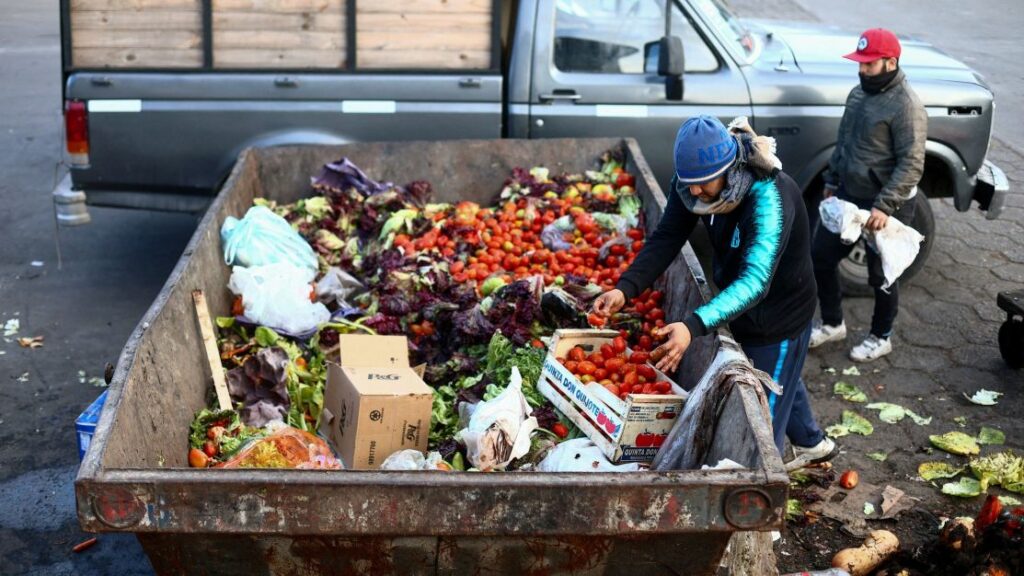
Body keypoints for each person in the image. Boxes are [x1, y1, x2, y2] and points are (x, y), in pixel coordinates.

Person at [593, 115, 835, 469]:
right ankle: (813, 443)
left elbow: (755, 282)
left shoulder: (769, 199)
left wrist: (691, 326)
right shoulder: (694, 181)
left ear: (729, 168)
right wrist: (624, 289)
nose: (693, 192)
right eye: (688, 184)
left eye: (702, 185)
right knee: (782, 376)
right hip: (738, 305)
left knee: (758, 424)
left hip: (777, 317)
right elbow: (667, 237)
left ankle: (759, 493)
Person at [810, 28, 927, 362]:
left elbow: (912, 163)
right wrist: (831, 181)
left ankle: (881, 336)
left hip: (887, 205)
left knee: (882, 275)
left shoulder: (907, 105)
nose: (862, 70)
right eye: (860, 63)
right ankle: (833, 322)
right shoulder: (858, 94)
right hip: (848, 195)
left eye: (870, 64)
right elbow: (844, 142)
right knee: (821, 257)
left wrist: (884, 206)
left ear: (890, 62)